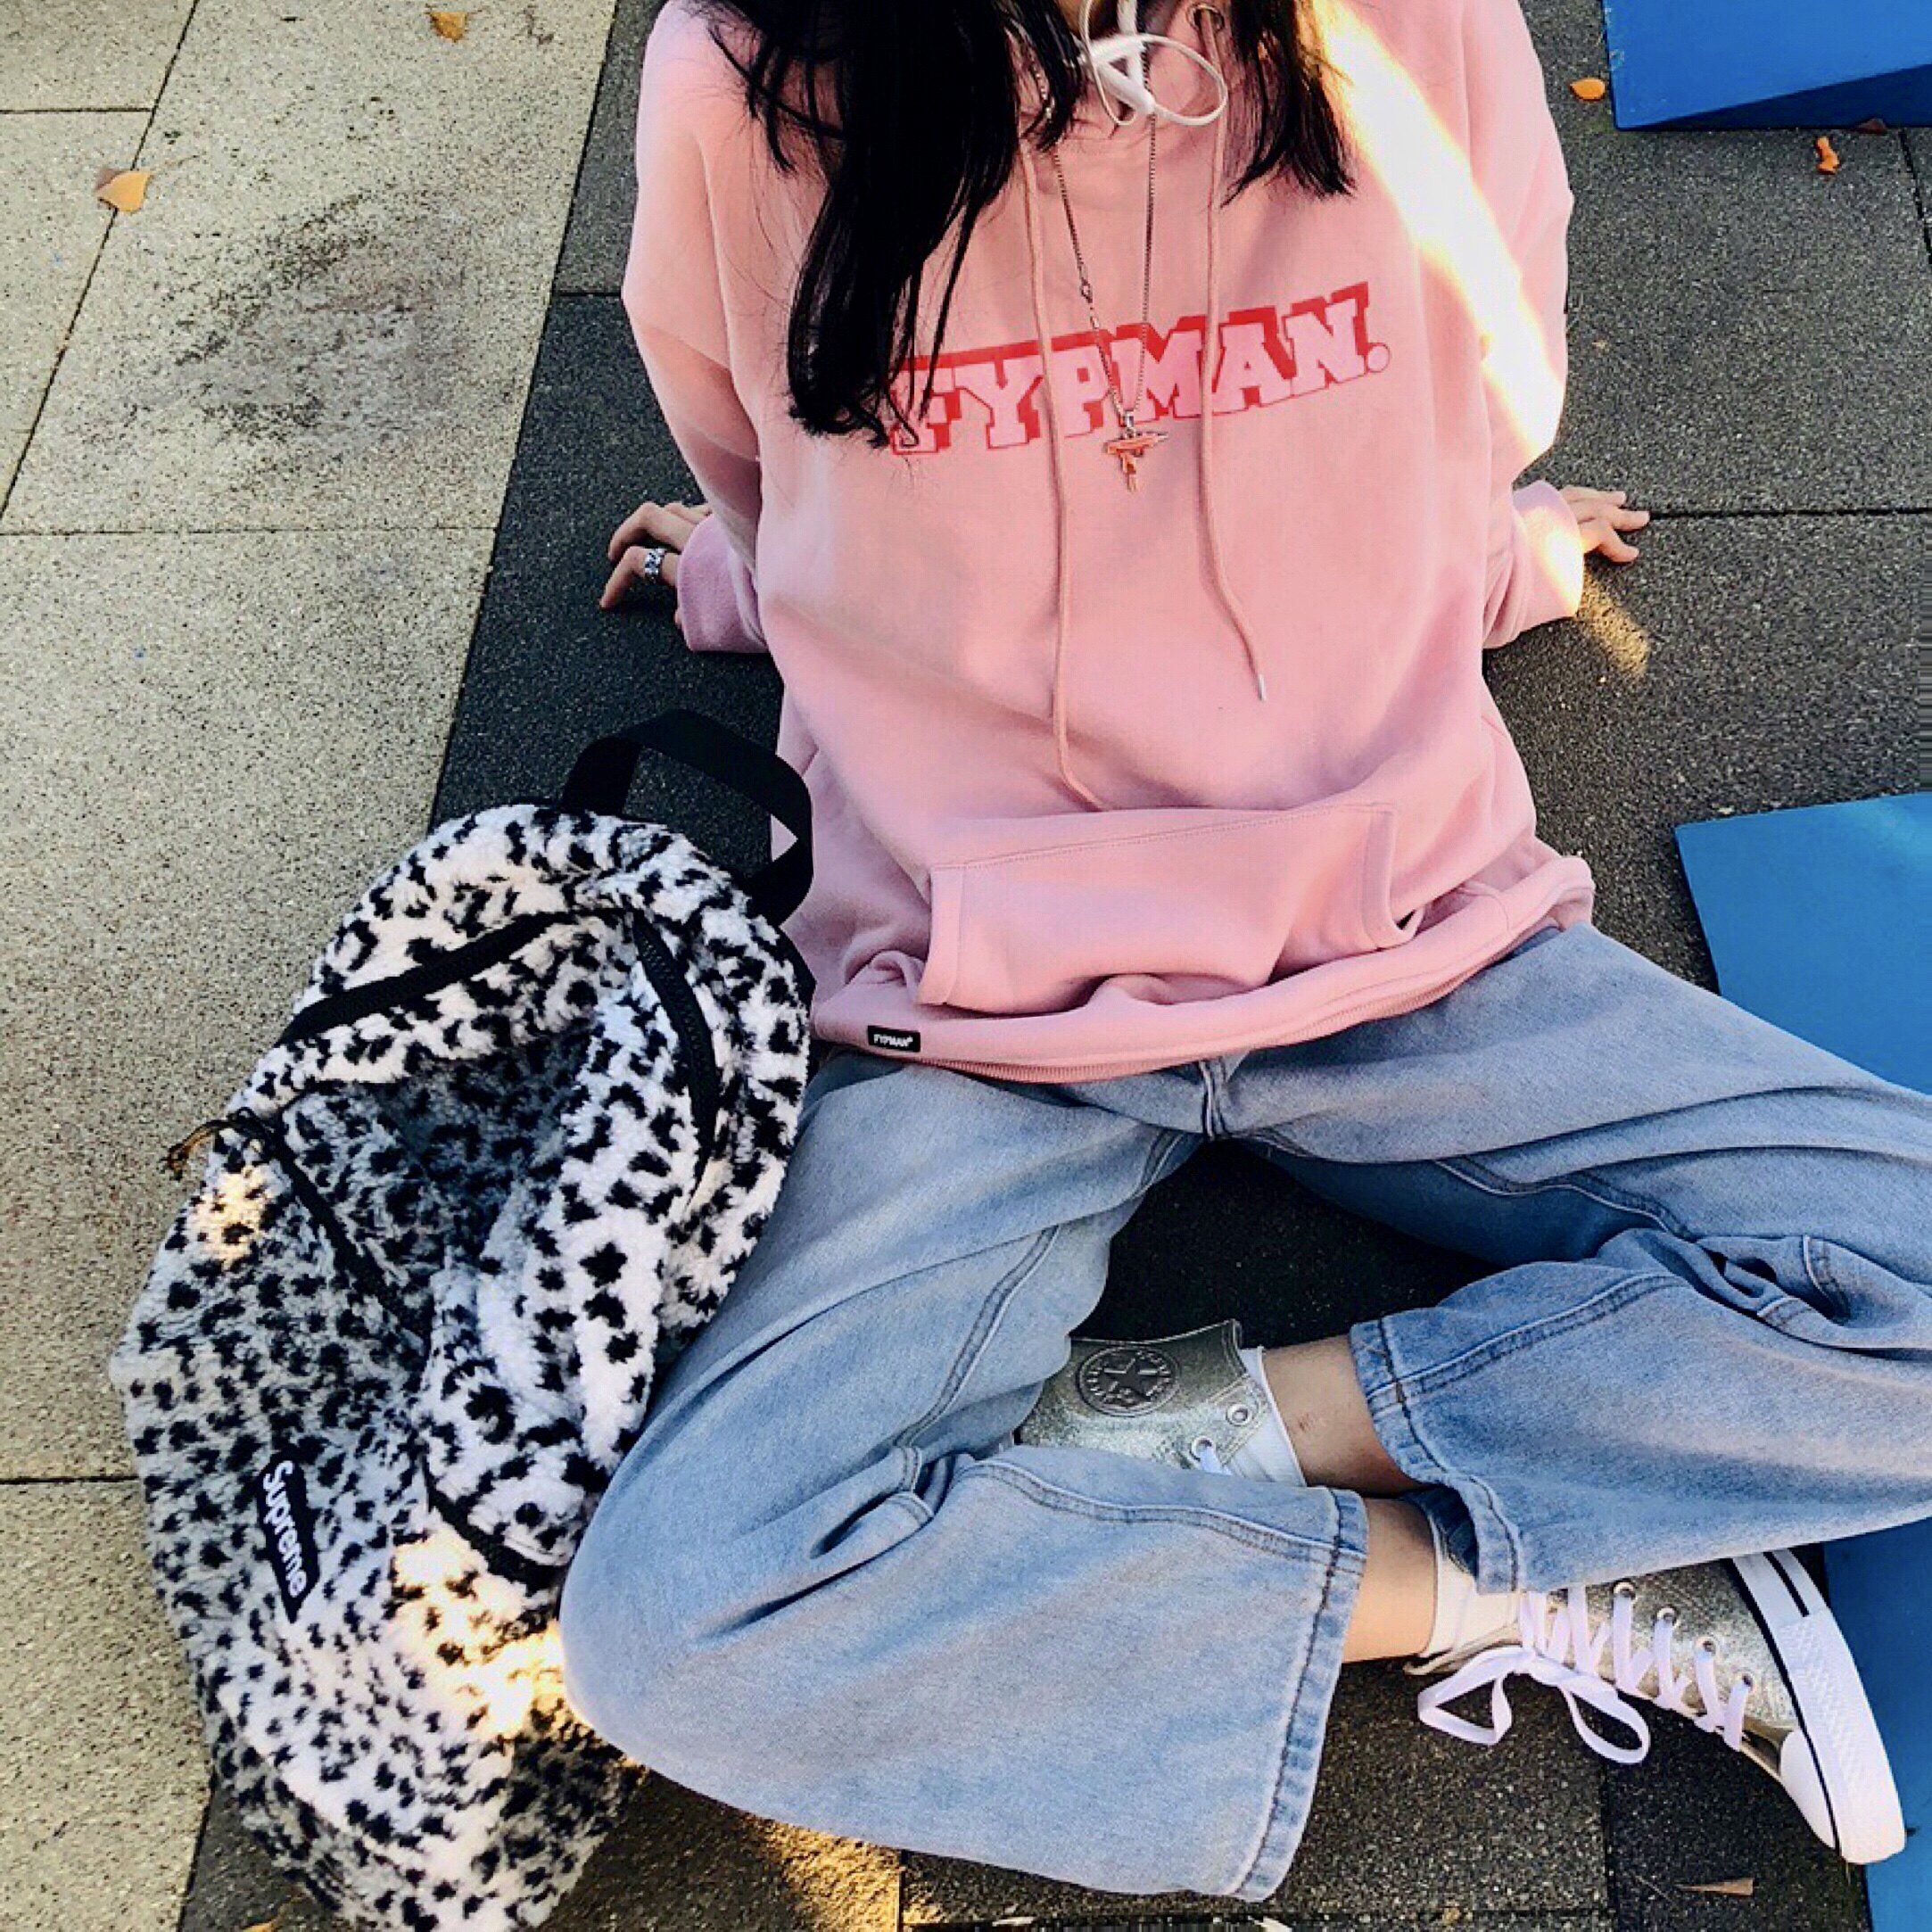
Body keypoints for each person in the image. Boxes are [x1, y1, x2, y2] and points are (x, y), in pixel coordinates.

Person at [560, 0, 1932, 1899]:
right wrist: (743, 580)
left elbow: (1463, 433)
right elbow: (780, 491)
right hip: (975, 999)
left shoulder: (1410, 25)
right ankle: (1493, 1584)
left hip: (1400, 932)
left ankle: (1185, 1436)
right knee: (676, 1620)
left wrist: (1509, 563)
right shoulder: (745, 79)